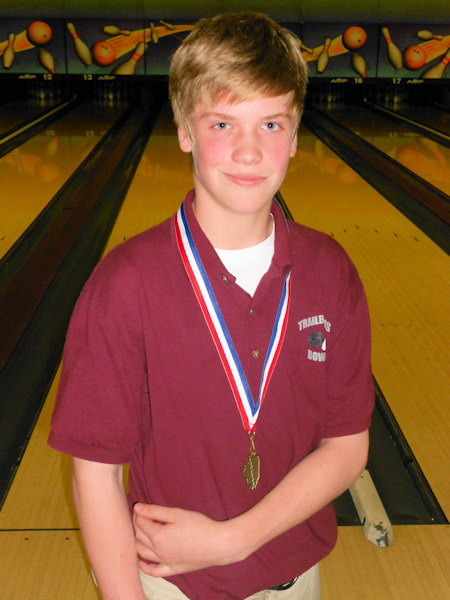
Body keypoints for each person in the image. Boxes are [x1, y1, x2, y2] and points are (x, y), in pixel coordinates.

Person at [48, 12, 374, 600]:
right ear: (186, 131)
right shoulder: (124, 287)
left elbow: (348, 444)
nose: (249, 151)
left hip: (294, 578)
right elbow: (95, 473)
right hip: (167, 585)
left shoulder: (331, 274)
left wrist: (235, 539)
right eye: (223, 123)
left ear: (296, 135)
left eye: (271, 123)